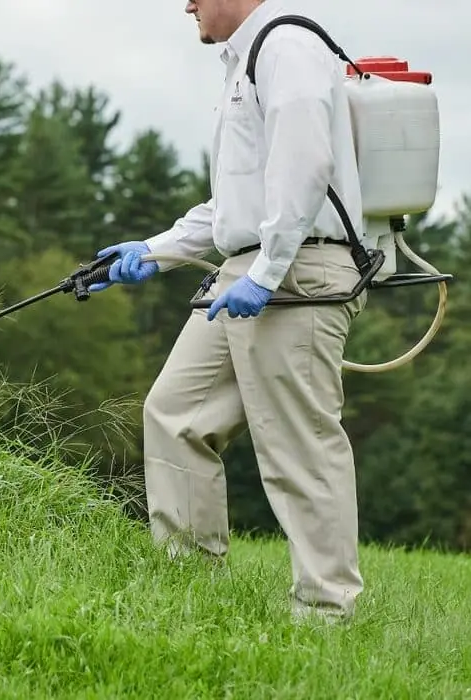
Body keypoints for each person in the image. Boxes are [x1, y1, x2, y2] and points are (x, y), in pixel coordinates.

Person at [93, 0, 369, 622]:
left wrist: (267, 276)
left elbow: (305, 170)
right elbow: (238, 204)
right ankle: (189, 591)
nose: (184, 4)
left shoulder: (286, 44)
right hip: (247, 270)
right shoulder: (243, 61)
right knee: (176, 413)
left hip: (298, 270)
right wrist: (155, 249)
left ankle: (328, 614)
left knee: (298, 444)